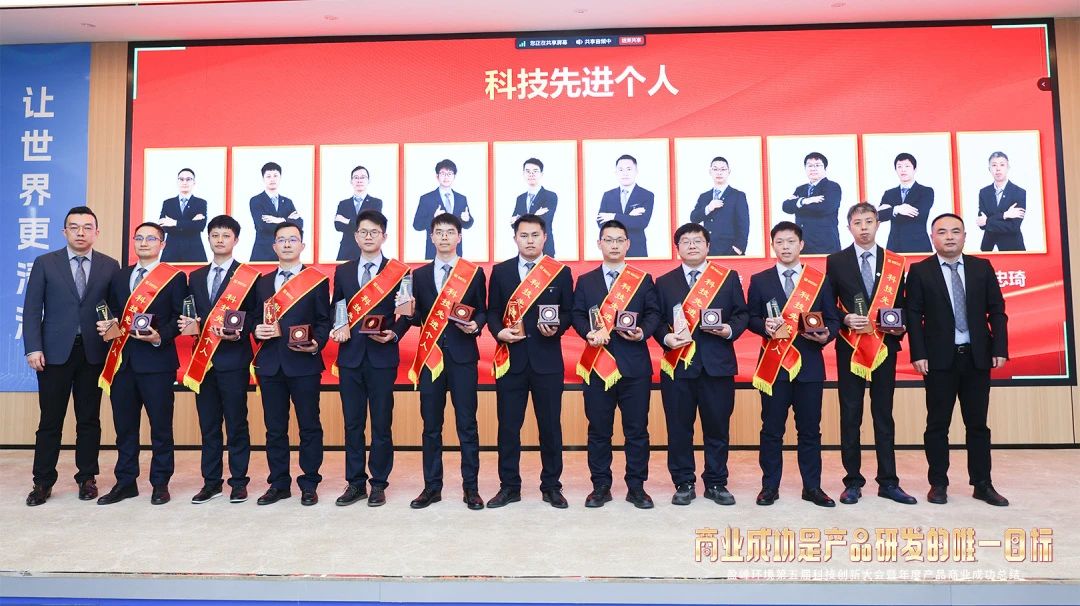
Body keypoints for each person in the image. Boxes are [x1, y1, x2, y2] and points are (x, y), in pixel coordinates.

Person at [907, 213, 1010, 506]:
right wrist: (918, 353)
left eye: (955, 231)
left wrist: (999, 347)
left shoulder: (981, 267)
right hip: (939, 360)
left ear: (965, 236)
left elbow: (997, 310)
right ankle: (938, 484)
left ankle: (982, 484)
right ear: (932, 237)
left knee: (977, 425)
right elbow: (913, 315)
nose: (949, 237)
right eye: (942, 232)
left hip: (977, 358)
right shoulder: (920, 271)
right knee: (937, 425)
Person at [23, 206, 120, 506]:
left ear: (96, 232)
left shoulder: (109, 265)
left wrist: (112, 331)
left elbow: (116, 310)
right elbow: (32, 309)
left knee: (89, 419)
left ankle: (87, 478)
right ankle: (42, 482)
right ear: (64, 231)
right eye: (74, 227)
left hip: (93, 353)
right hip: (53, 354)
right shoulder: (45, 263)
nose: (81, 232)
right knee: (50, 420)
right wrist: (33, 347)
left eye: (87, 227)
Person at [826, 203, 917, 506]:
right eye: (857, 222)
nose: (863, 227)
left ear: (878, 224)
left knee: (883, 415)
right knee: (850, 414)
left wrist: (899, 326)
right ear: (848, 227)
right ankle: (852, 481)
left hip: (884, 347)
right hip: (850, 347)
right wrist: (844, 318)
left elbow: (904, 305)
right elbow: (828, 305)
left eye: (868, 221)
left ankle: (888, 481)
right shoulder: (836, 261)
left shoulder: (894, 262)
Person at [653, 223, 748, 506]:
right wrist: (666, 337)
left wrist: (729, 330)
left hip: (717, 366)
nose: (692, 245)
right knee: (679, 428)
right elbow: (655, 319)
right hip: (678, 366)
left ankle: (716, 482)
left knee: (717, 427)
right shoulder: (664, 282)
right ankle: (683, 482)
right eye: (686, 241)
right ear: (677, 248)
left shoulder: (727, 278)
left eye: (697, 241)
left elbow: (742, 314)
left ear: (708, 246)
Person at [747, 221, 840, 507]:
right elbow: (750, 318)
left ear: (801, 245)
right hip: (774, 368)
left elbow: (833, 319)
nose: (785, 247)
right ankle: (769, 487)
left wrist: (826, 335)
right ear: (772, 246)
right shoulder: (760, 280)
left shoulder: (819, 280)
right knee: (771, 430)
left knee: (810, 431)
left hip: (809, 367)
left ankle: (812, 487)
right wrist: (764, 325)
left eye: (790, 241)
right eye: (779, 242)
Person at [572, 219, 662, 508]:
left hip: (634, 366)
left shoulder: (642, 279)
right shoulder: (586, 281)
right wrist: (588, 333)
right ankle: (600, 486)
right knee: (599, 430)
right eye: (608, 240)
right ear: (599, 244)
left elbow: (654, 313)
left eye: (619, 240)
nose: (614, 245)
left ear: (628, 244)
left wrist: (642, 332)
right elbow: (576, 314)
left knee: (637, 431)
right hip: (597, 366)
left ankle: (636, 487)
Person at [96, 222, 187, 505]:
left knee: (161, 427)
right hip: (122, 363)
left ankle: (160, 483)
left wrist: (161, 336)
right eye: (139, 238)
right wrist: (107, 326)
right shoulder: (120, 276)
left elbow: (179, 317)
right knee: (125, 428)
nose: (144, 242)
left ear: (162, 244)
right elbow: (112, 311)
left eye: (151, 238)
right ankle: (126, 482)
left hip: (157, 363)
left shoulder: (174, 277)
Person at [486, 214, 573, 508]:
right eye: (524, 235)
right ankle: (509, 487)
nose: (530, 240)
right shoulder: (501, 271)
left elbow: (569, 312)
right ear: (515, 239)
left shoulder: (559, 272)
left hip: (547, 362)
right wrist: (499, 332)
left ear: (545, 237)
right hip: (511, 361)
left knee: (550, 427)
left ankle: (552, 486)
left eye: (535, 235)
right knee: (508, 428)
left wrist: (557, 328)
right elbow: (493, 311)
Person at [406, 213, 487, 510]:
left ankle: (471, 488)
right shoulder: (419, 275)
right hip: (431, 359)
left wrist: (475, 325)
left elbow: (482, 310)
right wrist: (407, 312)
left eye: (449, 232)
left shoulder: (473, 273)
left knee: (467, 425)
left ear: (459, 237)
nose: (444, 237)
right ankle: (432, 487)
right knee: (431, 426)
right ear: (431, 237)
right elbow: (417, 316)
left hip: (463, 357)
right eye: (438, 232)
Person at [330, 210, 411, 507]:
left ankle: (378, 483)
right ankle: (355, 483)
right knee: (352, 424)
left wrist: (394, 334)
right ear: (355, 236)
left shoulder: (399, 272)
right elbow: (337, 306)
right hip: (350, 357)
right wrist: (338, 326)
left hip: (382, 357)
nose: (368, 236)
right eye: (363, 232)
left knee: (381, 424)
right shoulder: (343, 271)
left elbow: (406, 314)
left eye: (374, 232)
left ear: (384, 236)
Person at [179, 215, 260, 504]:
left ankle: (238, 482)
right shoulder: (195, 276)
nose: (220, 240)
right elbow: (190, 313)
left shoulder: (249, 277)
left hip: (234, 359)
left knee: (236, 423)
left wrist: (239, 331)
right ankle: (211, 482)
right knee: (209, 425)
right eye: (215, 235)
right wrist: (189, 324)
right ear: (208, 239)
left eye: (226, 235)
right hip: (203, 362)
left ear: (235, 240)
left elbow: (255, 315)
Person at [251, 222, 330, 506]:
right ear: (274, 246)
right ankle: (279, 483)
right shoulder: (261, 282)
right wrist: (256, 329)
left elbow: (324, 321)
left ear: (302, 245)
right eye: (281, 240)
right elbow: (253, 318)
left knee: (309, 426)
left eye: (292, 239)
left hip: (304, 363)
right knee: (275, 428)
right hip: (270, 365)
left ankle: (309, 483)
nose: (287, 244)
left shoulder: (316, 280)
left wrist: (316, 343)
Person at [412, 159, 474, 260]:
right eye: (443, 173)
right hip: (434, 251)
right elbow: (417, 225)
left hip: (456, 250)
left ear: (454, 176)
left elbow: (467, 225)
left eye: (449, 174)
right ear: (437, 176)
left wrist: (467, 219)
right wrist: (433, 218)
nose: (446, 177)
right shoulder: (426, 198)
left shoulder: (461, 198)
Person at [781, 152, 842, 254]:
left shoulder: (832, 187)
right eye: (809, 166)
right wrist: (805, 201)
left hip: (825, 244)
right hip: (802, 244)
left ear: (825, 168)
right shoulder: (800, 189)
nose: (813, 169)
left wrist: (797, 204)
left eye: (817, 165)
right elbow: (786, 207)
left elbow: (824, 209)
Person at [689, 156, 750, 256]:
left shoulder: (738, 195)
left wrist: (739, 248)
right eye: (715, 169)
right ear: (710, 172)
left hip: (730, 251)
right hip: (708, 250)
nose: (719, 172)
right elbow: (694, 218)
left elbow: (744, 225)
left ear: (729, 171)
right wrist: (708, 208)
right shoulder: (704, 196)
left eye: (723, 169)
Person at [596, 155, 654, 258]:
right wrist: (629, 217)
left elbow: (641, 223)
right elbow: (601, 223)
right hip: (611, 249)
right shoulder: (608, 195)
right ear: (616, 172)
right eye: (621, 170)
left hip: (636, 249)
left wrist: (613, 216)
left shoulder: (646, 195)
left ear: (636, 171)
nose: (625, 173)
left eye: (629, 169)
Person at [877, 153, 933, 253]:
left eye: (907, 166)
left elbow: (919, 214)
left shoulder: (926, 191)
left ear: (914, 169)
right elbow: (879, 216)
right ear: (895, 170)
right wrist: (897, 209)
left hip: (919, 245)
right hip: (894, 246)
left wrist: (890, 211)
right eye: (899, 166)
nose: (903, 170)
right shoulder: (889, 193)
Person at [249, 162, 303, 262]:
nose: (272, 179)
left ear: (280, 178)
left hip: (285, 253)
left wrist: (280, 220)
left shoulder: (287, 202)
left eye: (275, 176)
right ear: (263, 178)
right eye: (268, 176)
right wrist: (288, 222)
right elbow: (263, 226)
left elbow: (299, 224)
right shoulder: (256, 200)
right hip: (263, 252)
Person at [976, 151, 1026, 252]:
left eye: (1002, 165)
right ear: (989, 169)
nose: (998, 169)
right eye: (994, 165)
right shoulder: (984, 192)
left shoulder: (1019, 192)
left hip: (1012, 248)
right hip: (988, 248)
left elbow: (1014, 226)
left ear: (1008, 168)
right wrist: (1005, 215)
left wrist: (988, 221)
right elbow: (981, 224)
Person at [333, 165, 384, 261]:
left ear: (368, 181)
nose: (359, 180)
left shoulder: (376, 202)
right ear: (351, 181)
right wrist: (362, 225)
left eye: (363, 177)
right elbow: (338, 226)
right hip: (346, 250)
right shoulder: (343, 204)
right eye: (356, 177)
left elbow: (372, 225)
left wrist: (347, 221)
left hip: (369, 249)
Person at [510, 158, 557, 257]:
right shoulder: (520, 198)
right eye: (528, 171)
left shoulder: (550, 196)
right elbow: (513, 224)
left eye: (535, 171)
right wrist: (535, 215)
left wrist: (520, 218)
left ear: (541, 174)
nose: (531, 174)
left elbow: (544, 220)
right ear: (523, 174)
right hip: (523, 249)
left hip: (545, 248)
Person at [158, 168, 208, 263]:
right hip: (171, 251)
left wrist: (174, 223)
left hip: (194, 251)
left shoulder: (200, 203)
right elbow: (164, 227)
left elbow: (200, 226)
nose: (184, 182)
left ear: (194, 182)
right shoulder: (168, 203)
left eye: (188, 179)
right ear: (177, 182)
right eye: (181, 179)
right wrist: (190, 223)